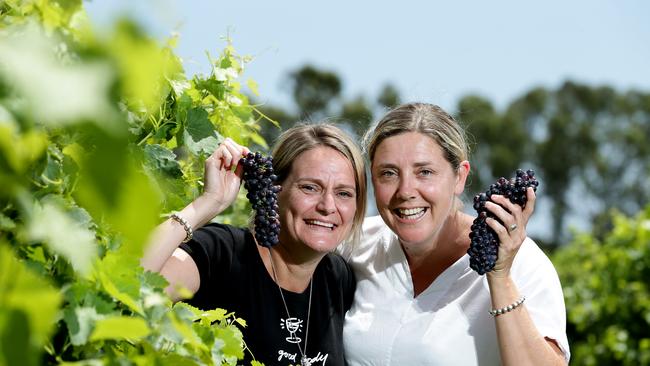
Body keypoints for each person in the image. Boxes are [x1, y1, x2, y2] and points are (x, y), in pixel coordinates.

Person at [339, 103, 570, 365]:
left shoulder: (523, 262)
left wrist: (500, 277)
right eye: (388, 173)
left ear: (459, 177)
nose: (405, 190)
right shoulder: (353, 245)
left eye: (424, 172)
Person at [141, 123, 367, 366]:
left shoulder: (338, 279)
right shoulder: (224, 253)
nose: (327, 206)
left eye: (344, 193)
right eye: (310, 188)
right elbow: (130, 288)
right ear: (274, 190)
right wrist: (208, 204)